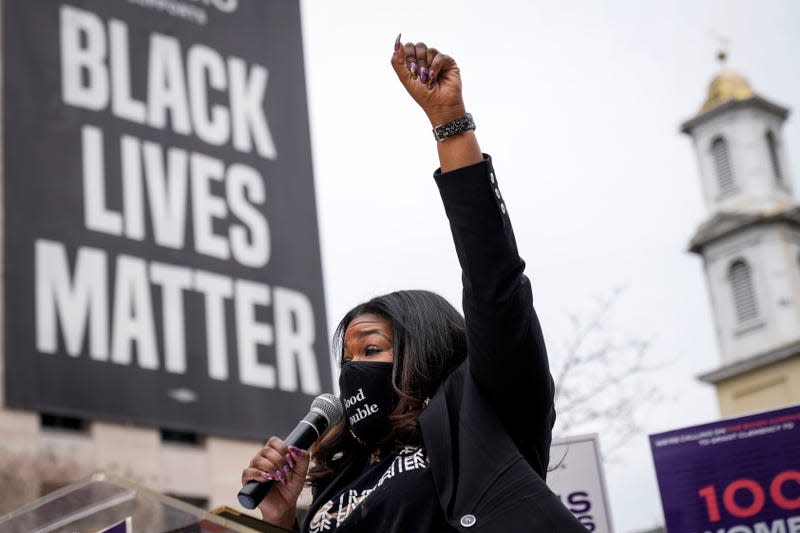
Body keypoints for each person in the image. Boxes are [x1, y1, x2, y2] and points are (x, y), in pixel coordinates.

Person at [241, 36, 587, 532]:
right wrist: (281, 519)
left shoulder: (477, 416)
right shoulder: (336, 481)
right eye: (348, 357)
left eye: (373, 348)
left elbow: (496, 284)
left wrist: (450, 124)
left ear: (424, 352)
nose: (353, 370)